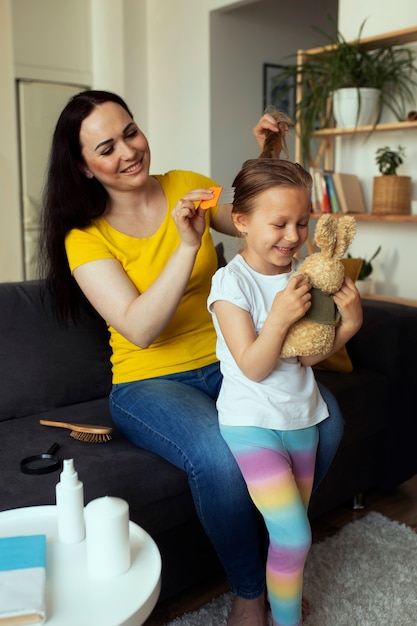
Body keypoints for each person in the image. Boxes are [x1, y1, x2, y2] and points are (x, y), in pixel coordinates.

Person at [40, 91, 345, 626]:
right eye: (106, 147)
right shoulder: (84, 238)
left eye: (130, 132)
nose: (129, 151)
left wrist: (269, 156)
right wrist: (185, 247)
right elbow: (138, 327)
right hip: (151, 380)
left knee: (330, 420)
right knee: (219, 456)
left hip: (231, 357)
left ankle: (282, 542)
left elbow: (259, 220)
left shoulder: (184, 185)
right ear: (84, 167)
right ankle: (250, 589)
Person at [207, 114, 363, 626]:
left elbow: (306, 356)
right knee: (295, 534)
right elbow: (252, 366)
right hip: (252, 422)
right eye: (279, 224)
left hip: (302, 416)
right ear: (242, 221)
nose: (294, 236)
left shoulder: (302, 275)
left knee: (289, 538)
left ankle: (284, 605)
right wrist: (278, 317)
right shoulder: (232, 286)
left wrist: (348, 326)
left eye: (302, 222)